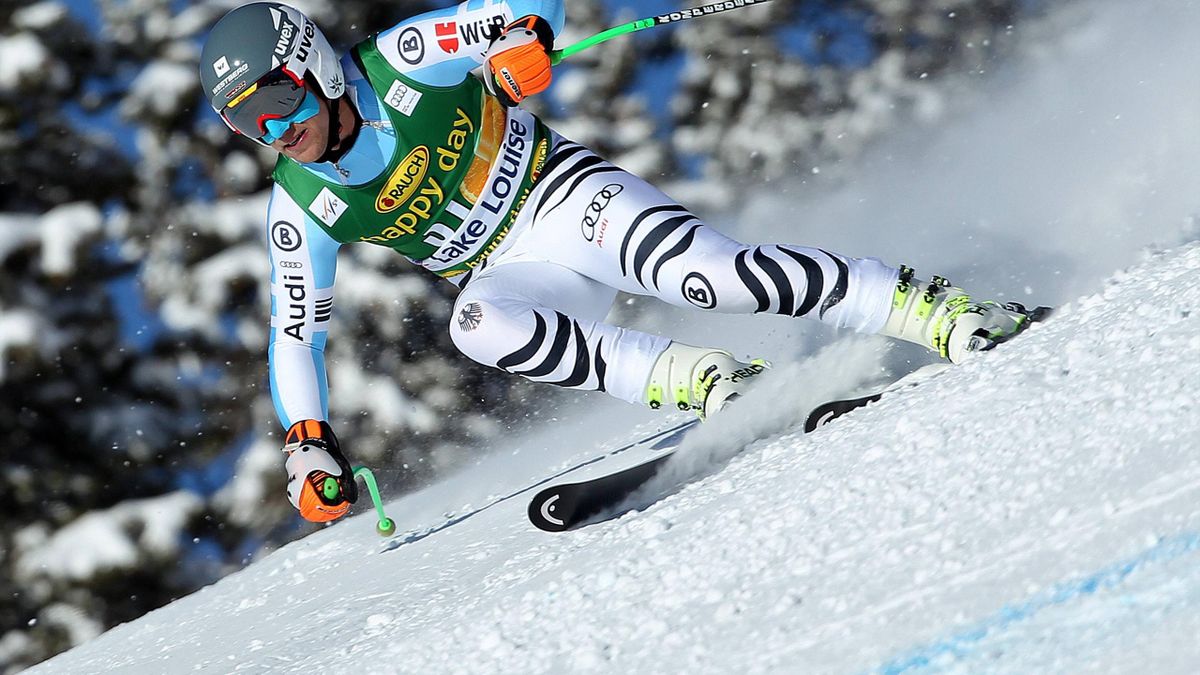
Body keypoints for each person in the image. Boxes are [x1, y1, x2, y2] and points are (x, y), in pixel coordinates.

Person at [199, 1, 1042, 523]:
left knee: (714, 277)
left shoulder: (402, 63)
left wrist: (524, 40)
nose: (276, 132)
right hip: (512, 267)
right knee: (478, 322)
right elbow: (295, 332)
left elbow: (516, 10)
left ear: (308, 64)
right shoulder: (301, 203)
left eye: (276, 102)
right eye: (249, 125)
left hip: (566, 199)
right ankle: (710, 381)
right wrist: (306, 442)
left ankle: (932, 307)